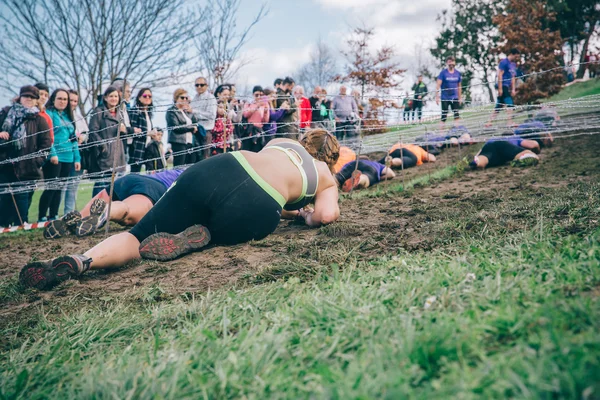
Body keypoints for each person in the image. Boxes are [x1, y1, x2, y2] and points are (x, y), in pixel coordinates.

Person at [20, 129, 342, 290]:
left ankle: (82, 260)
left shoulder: (283, 142)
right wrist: (306, 215)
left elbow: (255, 176)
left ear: (305, 140)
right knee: (229, 222)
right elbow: (325, 215)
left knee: (138, 235)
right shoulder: (325, 176)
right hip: (259, 204)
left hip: (223, 167)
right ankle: (204, 237)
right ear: (331, 157)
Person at [44, 168, 185, 239]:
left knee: (84, 215)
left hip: (131, 179)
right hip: (156, 188)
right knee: (127, 211)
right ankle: (106, 212)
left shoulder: (177, 170)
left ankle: (70, 220)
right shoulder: (194, 174)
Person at [0, 86, 51, 226]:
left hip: (27, 166)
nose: (29, 99)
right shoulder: (5, 113)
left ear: (36, 101)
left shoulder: (39, 120)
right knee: (3, 197)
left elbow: (46, 144)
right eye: (26, 96)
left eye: (32, 97)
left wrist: (37, 161)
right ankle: (3, 226)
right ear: (20, 97)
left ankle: (21, 225)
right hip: (5, 164)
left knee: (23, 198)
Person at [38, 89, 81, 222]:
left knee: (60, 189)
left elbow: (73, 139)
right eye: (60, 98)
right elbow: (47, 136)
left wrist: (77, 158)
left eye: (65, 99)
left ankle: (54, 215)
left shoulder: (68, 117)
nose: (63, 101)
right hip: (55, 157)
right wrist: (52, 154)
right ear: (53, 99)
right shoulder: (49, 114)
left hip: (68, 158)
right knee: (51, 187)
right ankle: (42, 217)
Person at [87, 86, 131, 196]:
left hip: (118, 154)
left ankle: (110, 211)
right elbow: (93, 131)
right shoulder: (98, 112)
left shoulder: (120, 112)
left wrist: (123, 130)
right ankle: (96, 211)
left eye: (116, 96)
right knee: (102, 187)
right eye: (111, 96)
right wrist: (103, 147)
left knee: (116, 187)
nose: (114, 98)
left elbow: (123, 132)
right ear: (105, 98)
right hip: (104, 156)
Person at [63, 89, 89, 214]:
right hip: (64, 155)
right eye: (70, 100)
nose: (73, 103)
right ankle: (53, 216)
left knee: (73, 187)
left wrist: (82, 137)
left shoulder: (79, 117)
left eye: (75, 101)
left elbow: (86, 133)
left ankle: (69, 213)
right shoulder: (62, 117)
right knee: (59, 187)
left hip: (78, 155)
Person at [166, 88, 200, 166]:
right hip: (178, 142)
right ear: (176, 98)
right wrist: (191, 128)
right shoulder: (171, 111)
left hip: (190, 142)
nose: (184, 99)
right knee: (179, 165)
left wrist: (191, 111)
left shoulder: (185, 111)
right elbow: (175, 127)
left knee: (189, 166)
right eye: (182, 97)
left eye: (186, 98)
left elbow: (195, 121)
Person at [487, 48, 520, 127]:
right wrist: (500, 88)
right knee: (510, 103)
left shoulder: (513, 64)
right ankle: (509, 122)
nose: (516, 58)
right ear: (511, 54)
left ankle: (489, 122)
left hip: (508, 86)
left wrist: (513, 89)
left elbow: (513, 77)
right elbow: (500, 75)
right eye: (515, 56)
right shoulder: (503, 62)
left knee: (499, 105)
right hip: (503, 85)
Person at [128, 88, 155, 172]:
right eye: (145, 95)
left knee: (149, 173)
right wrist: (148, 133)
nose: (147, 97)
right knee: (135, 172)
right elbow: (133, 131)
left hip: (147, 148)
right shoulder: (134, 111)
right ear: (139, 98)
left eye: (150, 96)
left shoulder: (148, 113)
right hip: (137, 148)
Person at [192, 77, 217, 160]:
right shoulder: (194, 98)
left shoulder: (211, 98)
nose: (199, 87)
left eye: (201, 85)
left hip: (205, 131)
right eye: (197, 85)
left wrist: (194, 112)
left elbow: (211, 115)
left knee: (204, 157)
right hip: (195, 131)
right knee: (195, 157)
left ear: (206, 86)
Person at [470, 141, 539, 169]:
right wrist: (537, 149)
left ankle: (477, 161)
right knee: (526, 152)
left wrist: (477, 156)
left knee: (484, 157)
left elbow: (481, 151)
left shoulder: (491, 140)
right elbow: (533, 145)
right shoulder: (515, 138)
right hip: (506, 146)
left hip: (489, 146)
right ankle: (526, 156)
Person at [435, 56, 462, 129]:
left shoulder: (458, 73)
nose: (451, 63)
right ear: (447, 63)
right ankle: (441, 133)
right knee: (444, 116)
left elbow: (459, 86)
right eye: (449, 62)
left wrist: (460, 98)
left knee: (456, 115)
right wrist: (437, 97)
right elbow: (438, 85)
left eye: (453, 62)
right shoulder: (443, 73)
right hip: (445, 98)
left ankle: (457, 130)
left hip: (454, 97)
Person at [242, 86, 270, 152]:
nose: (259, 97)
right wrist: (257, 106)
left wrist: (266, 112)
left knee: (257, 151)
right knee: (247, 151)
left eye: (261, 95)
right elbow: (245, 114)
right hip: (249, 130)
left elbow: (265, 121)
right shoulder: (249, 103)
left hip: (258, 131)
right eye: (256, 95)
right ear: (253, 95)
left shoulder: (265, 105)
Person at [212, 85, 236, 154]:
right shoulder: (215, 118)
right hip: (217, 144)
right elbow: (214, 129)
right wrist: (222, 130)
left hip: (226, 143)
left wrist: (227, 130)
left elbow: (230, 127)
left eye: (228, 95)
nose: (222, 109)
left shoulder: (226, 118)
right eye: (220, 107)